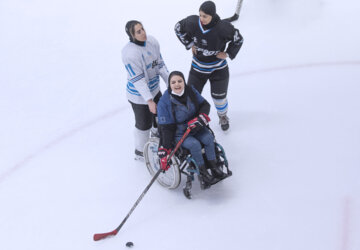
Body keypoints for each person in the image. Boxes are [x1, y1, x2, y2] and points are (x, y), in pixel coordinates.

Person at [174, 1, 244, 131]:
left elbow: (238, 39)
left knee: (219, 98)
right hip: (197, 69)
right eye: (200, 15)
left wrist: (228, 53)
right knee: (191, 97)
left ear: (213, 15)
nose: (202, 19)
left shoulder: (223, 27)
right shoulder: (192, 22)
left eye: (205, 16)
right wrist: (189, 44)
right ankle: (192, 120)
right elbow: (178, 27)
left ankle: (222, 116)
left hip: (218, 70)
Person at [157, 71, 226, 185]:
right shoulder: (164, 102)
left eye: (180, 81)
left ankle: (214, 167)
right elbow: (166, 128)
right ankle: (203, 173)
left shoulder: (191, 90)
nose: (177, 84)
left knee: (208, 138)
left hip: (195, 126)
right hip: (179, 133)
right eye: (173, 82)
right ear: (169, 85)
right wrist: (166, 148)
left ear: (184, 81)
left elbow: (205, 105)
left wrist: (201, 117)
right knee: (194, 145)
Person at [122, 20, 169, 160]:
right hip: (138, 97)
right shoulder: (129, 54)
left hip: (154, 90)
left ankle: (156, 135)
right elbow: (138, 80)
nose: (143, 33)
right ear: (132, 35)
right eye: (138, 31)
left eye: (142, 29)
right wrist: (149, 101)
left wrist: (170, 84)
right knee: (144, 124)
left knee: (161, 115)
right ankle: (140, 151)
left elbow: (160, 65)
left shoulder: (152, 42)